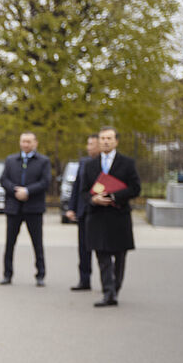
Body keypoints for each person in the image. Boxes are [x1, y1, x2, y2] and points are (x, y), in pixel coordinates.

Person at [81, 126, 140, 307]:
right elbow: (83, 191)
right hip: (97, 216)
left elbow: (135, 188)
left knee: (119, 257)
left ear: (116, 141)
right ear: (99, 141)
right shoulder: (91, 165)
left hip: (118, 216)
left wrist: (114, 196)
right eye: (103, 138)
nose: (106, 141)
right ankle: (108, 292)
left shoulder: (127, 163)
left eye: (109, 138)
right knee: (102, 256)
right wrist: (94, 199)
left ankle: (115, 287)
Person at [0, 132, 52, 286]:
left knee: (37, 243)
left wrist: (28, 191)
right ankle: (7, 274)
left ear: (35, 143)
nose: (25, 144)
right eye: (23, 141)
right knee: (9, 243)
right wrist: (15, 190)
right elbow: (4, 179)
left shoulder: (43, 161)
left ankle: (40, 275)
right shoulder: (11, 160)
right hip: (13, 208)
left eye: (29, 142)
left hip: (33, 208)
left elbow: (45, 182)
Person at [65, 134, 100, 290]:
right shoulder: (84, 162)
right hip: (83, 211)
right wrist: (71, 208)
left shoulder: (105, 164)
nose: (88, 147)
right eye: (88, 144)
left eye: (92, 144)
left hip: (99, 212)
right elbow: (76, 187)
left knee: (101, 249)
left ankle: (108, 281)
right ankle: (84, 280)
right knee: (83, 248)